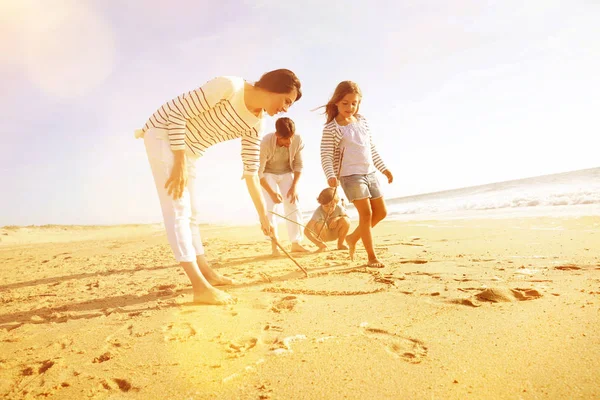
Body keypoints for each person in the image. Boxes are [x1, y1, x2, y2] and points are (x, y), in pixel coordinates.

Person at [135, 69, 302, 304]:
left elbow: (251, 173)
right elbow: (176, 114)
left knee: (192, 214)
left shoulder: (257, 124)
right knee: (178, 211)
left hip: (191, 150)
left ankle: (207, 273)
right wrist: (179, 162)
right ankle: (199, 287)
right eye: (287, 101)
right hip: (163, 134)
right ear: (274, 87)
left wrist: (263, 215)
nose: (286, 108)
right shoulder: (229, 87)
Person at [320, 81, 393, 268]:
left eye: (354, 103)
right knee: (366, 214)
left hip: (370, 173)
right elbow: (326, 155)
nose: (350, 107)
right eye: (345, 103)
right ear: (336, 102)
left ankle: (352, 238)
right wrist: (330, 175)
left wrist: (384, 169)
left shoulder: (362, 121)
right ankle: (371, 257)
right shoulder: (332, 128)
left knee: (381, 212)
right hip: (350, 176)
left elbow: (371, 148)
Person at [258, 117, 309, 256]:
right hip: (268, 174)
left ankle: (296, 243)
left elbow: (299, 165)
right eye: (286, 139)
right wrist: (272, 193)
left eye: (291, 137)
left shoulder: (297, 140)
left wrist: (294, 187)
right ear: (277, 135)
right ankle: (275, 245)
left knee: (293, 203)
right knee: (271, 207)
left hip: (287, 172)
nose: (289, 142)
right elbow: (259, 173)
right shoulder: (265, 143)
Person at [304, 187, 350, 252]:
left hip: (335, 233)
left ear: (336, 203)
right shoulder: (318, 212)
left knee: (346, 220)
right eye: (326, 206)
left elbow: (346, 217)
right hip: (323, 236)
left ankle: (340, 244)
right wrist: (318, 243)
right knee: (320, 223)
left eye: (332, 206)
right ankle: (323, 246)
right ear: (321, 204)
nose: (329, 209)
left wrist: (336, 218)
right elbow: (306, 231)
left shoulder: (339, 208)